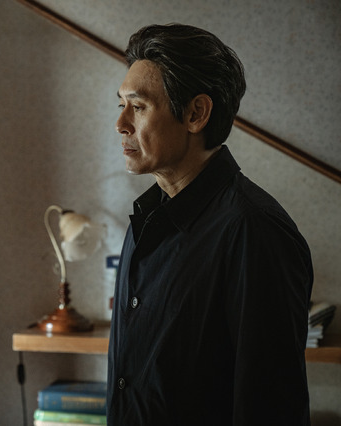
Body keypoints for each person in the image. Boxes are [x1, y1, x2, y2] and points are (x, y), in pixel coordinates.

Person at [107, 23, 313, 425]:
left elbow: (272, 406)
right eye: (121, 105)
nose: (121, 124)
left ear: (196, 113)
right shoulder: (146, 217)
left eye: (139, 106)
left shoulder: (254, 231)